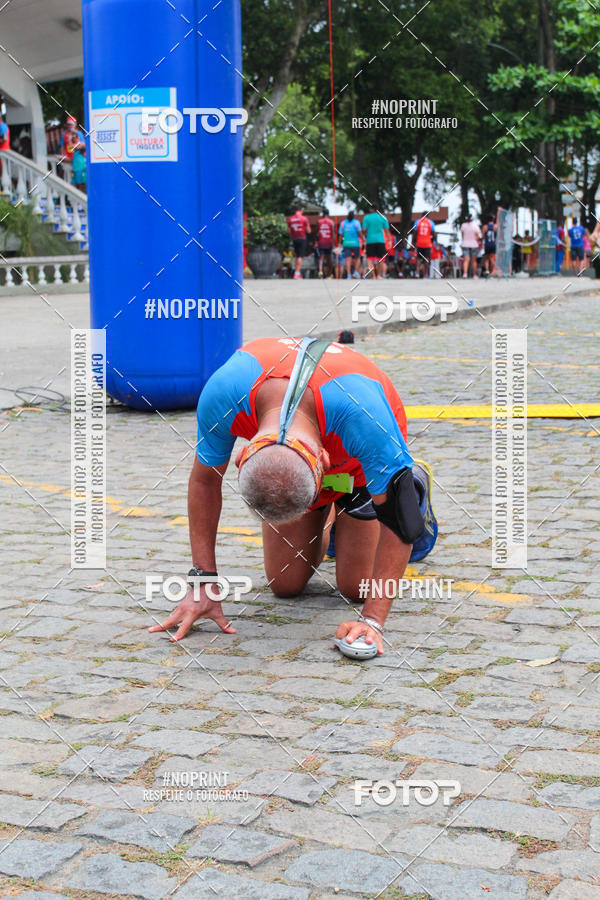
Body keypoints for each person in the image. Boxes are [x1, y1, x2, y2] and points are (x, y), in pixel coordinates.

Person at [148, 337, 438, 653]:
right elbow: (204, 483)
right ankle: (328, 519)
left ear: (325, 464)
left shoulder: (366, 418)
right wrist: (202, 581)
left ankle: (409, 483)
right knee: (284, 584)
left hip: (358, 473)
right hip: (301, 470)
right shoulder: (223, 394)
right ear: (242, 457)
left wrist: (372, 621)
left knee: (357, 587)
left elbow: (401, 525)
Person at [361, 206, 390, 279]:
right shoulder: (383, 217)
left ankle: (373, 275)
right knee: (380, 258)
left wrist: (365, 235)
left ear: (371, 209)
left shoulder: (366, 218)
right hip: (380, 240)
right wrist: (389, 240)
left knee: (369, 259)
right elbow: (387, 231)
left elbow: (364, 229)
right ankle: (379, 275)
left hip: (370, 241)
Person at [287, 206, 311, 279]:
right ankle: (297, 273)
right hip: (302, 238)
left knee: (297, 256)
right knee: (300, 256)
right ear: (301, 210)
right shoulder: (304, 218)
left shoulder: (290, 219)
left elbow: (288, 231)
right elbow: (309, 231)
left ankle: (298, 271)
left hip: (294, 239)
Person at [60, 115, 85, 182]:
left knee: (78, 178)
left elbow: (83, 145)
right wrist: (63, 155)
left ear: (75, 124)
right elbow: (62, 146)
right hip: (67, 159)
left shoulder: (79, 133)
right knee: (67, 177)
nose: (70, 126)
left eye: (71, 124)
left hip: (77, 159)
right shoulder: (64, 134)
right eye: (69, 124)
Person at [339, 211, 362, 279]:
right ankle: (355, 272)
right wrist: (363, 239)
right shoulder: (356, 222)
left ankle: (348, 274)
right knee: (357, 258)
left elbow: (340, 234)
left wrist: (340, 243)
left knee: (348, 260)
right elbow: (359, 232)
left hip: (346, 243)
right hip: (355, 243)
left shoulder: (343, 223)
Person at [460, 214, 481, 278]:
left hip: (465, 244)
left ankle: (465, 274)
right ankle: (475, 275)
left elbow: (462, 235)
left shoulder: (463, 225)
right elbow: (477, 236)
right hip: (474, 244)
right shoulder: (475, 226)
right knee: (474, 260)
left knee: (466, 260)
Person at [315, 208, 334, 278]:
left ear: (322, 213)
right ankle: (329, 274)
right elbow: (333, 234)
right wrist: (334, 244)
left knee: (321, 258)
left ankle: (320, 271)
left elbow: (316, 233)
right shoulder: (331, 222)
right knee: (330, 259)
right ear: (328, 214)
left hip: (321, 242)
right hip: (329, 242)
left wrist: (316, 241)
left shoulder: (319, 221)